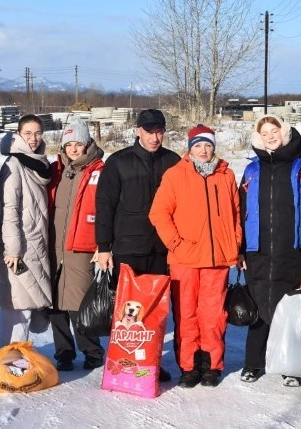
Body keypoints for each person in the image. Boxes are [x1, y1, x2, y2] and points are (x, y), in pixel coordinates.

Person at [149, 124, 242, 388]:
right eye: (198, 145)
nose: (203, 150)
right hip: (185, 258)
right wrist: (175, 242)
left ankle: (211, 365)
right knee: (187, 314)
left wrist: (234, 243)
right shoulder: (175, 175)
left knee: (213, 315)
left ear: (214, 147)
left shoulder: (226, 175)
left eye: (208, 145)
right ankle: (189, 367)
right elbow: (159, 213)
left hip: (218, 260)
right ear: (190, 148)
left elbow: (236, 213)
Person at [95, 109, 180, 383]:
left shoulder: (173, 161)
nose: (155, 137)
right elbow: (104, 206)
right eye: (149, 131)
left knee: (154, 311)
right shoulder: (119, 162)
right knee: (128, 311)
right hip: (128, 248)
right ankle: (123, 360)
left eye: (159, 131)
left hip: (161, 249)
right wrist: (104, 246)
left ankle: (151, 361)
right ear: (137, 131)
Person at [238, 114, 301, 386]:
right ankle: (253, 363)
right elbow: (241, 210)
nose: (270, 136)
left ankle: (291, 366)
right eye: (265, 132)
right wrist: (240, 250)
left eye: (275, 131)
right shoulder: (252, 170)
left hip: (291, 248)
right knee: (259, 306)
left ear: (285, 132)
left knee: (290, 308)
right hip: (258, 249)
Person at [47, 120, 106, 371]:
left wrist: (104, 244)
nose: (73, 149)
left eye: (78, 144)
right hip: (54, 245)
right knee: (55, 304)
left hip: (82, 246)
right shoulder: (55, 170)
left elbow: (108, 211)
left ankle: (92, 350)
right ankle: (64, 353)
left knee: (79, 302)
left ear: (88, 144)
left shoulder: (100, 171)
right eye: (68, 144)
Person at [0, 114, 52, 350]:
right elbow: (10, 210)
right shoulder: (14, 165)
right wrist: (13, 250)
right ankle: (9, 361)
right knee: (19, 306)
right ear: (18, 135)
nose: (33, 138)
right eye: (27, 133)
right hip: (19, 247)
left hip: (35, 243)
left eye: (37, 133)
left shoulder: (39, 162)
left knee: (22, 305)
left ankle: (4, 357)